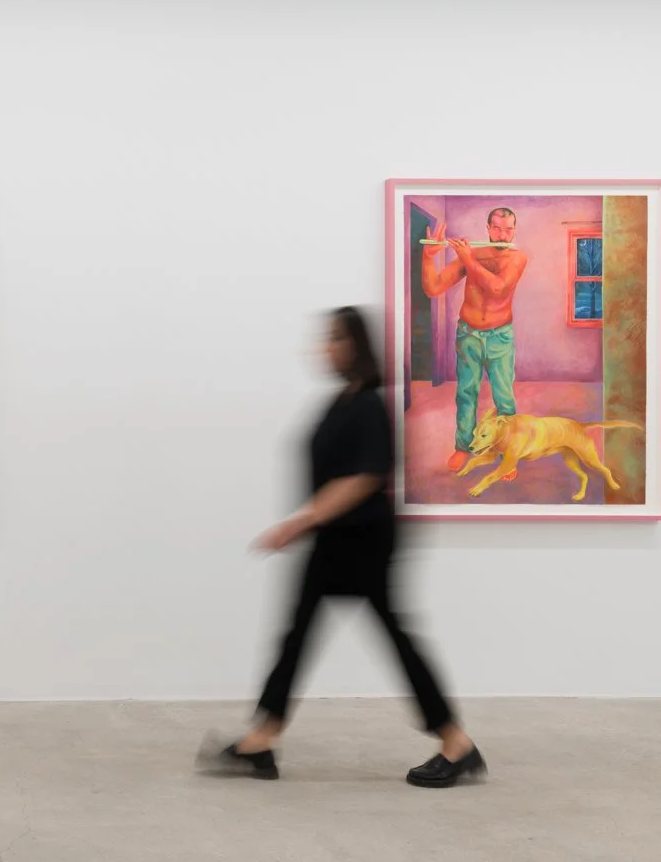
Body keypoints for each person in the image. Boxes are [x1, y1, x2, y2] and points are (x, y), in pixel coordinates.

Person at [199, 307, 486, 788]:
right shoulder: (342, 401)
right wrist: (311, 522)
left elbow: (364, 477)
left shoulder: (368, 405)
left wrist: (301, 521)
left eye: (334, 339)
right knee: (299, 633)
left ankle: (456, 743)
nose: (325, 348)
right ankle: (262, 740)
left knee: (390, 637)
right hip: (337, 536)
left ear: (355, 346)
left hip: (363, 539)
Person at [422, 207, 530, 473]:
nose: (503, 234)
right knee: (465, 393)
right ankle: (463, 447)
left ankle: (508, 453)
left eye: (508, 229)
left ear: (514, 230)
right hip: (468, 334)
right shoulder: (473, 254)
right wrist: (428, 258)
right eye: (497, 228)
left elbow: (498, 288)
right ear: (488, 228)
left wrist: (468, 259)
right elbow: (433, 288)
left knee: (504, 397)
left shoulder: (518, 257)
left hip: (500, 336)